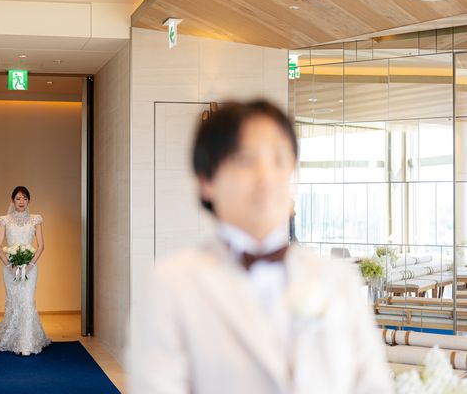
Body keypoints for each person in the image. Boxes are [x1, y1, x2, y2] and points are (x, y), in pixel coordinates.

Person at [127, 100, 392, 393]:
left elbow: (372, 384)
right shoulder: (171, 285)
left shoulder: (336, 278)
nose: (266, 177)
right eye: (246, 160)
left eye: (279, 159)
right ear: (206, 181)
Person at [0, 186, 51, 355]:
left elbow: (41, 246)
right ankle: (12, 338)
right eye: (18, 198)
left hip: (30, 267)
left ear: (29, 201)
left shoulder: (36, 219)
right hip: (10, 268)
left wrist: (30, 264)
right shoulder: (4, 220)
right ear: (12, 201)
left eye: (25, 198)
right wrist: (10, 265)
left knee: (28, 301)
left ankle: (26, 344)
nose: (21, 202)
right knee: (14, 302)